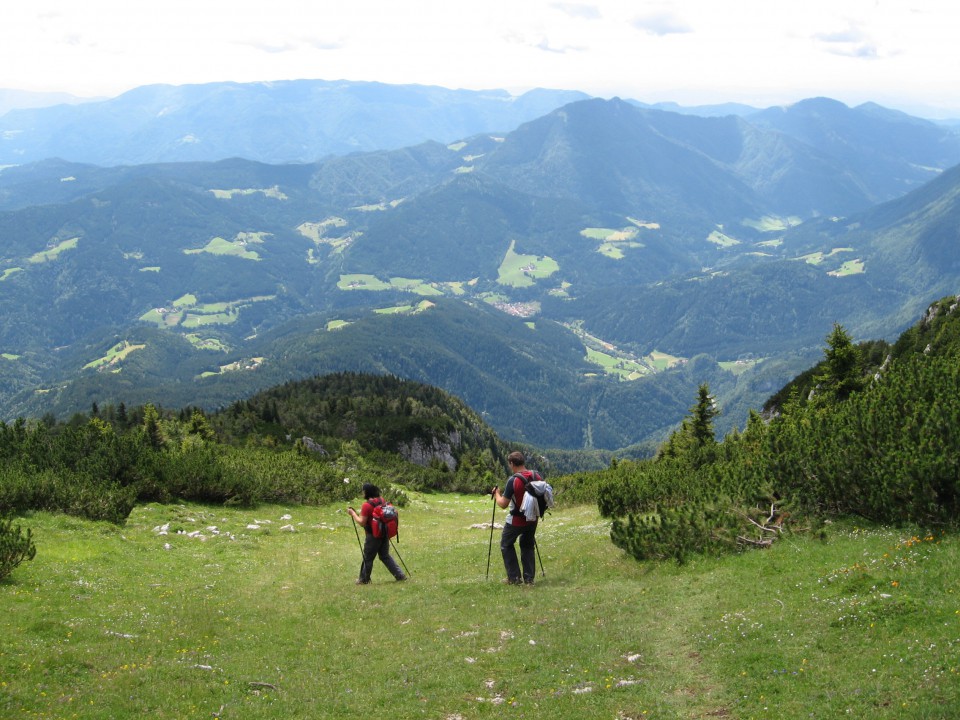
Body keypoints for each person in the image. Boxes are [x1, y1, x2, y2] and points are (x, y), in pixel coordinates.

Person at [492, 451, 541, 585]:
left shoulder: (513, 480)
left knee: (506, 544)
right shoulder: (536, 475)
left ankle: (514, 578)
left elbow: (503, 504)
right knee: (527, 545)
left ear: (512, 463)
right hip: (533, 519)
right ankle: (529, 580)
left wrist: (497, 494)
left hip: (517, 520)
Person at [347, 483, 406, 584]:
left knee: (368, 558)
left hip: (373, 535)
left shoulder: (366, 505)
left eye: (363, 491)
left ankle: (363, 579)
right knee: (385, 556)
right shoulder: (381, 500)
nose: (362, 493)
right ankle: (400, 575)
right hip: (384, 532)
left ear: (366, 492)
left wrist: (353, 514)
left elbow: (362, 522)